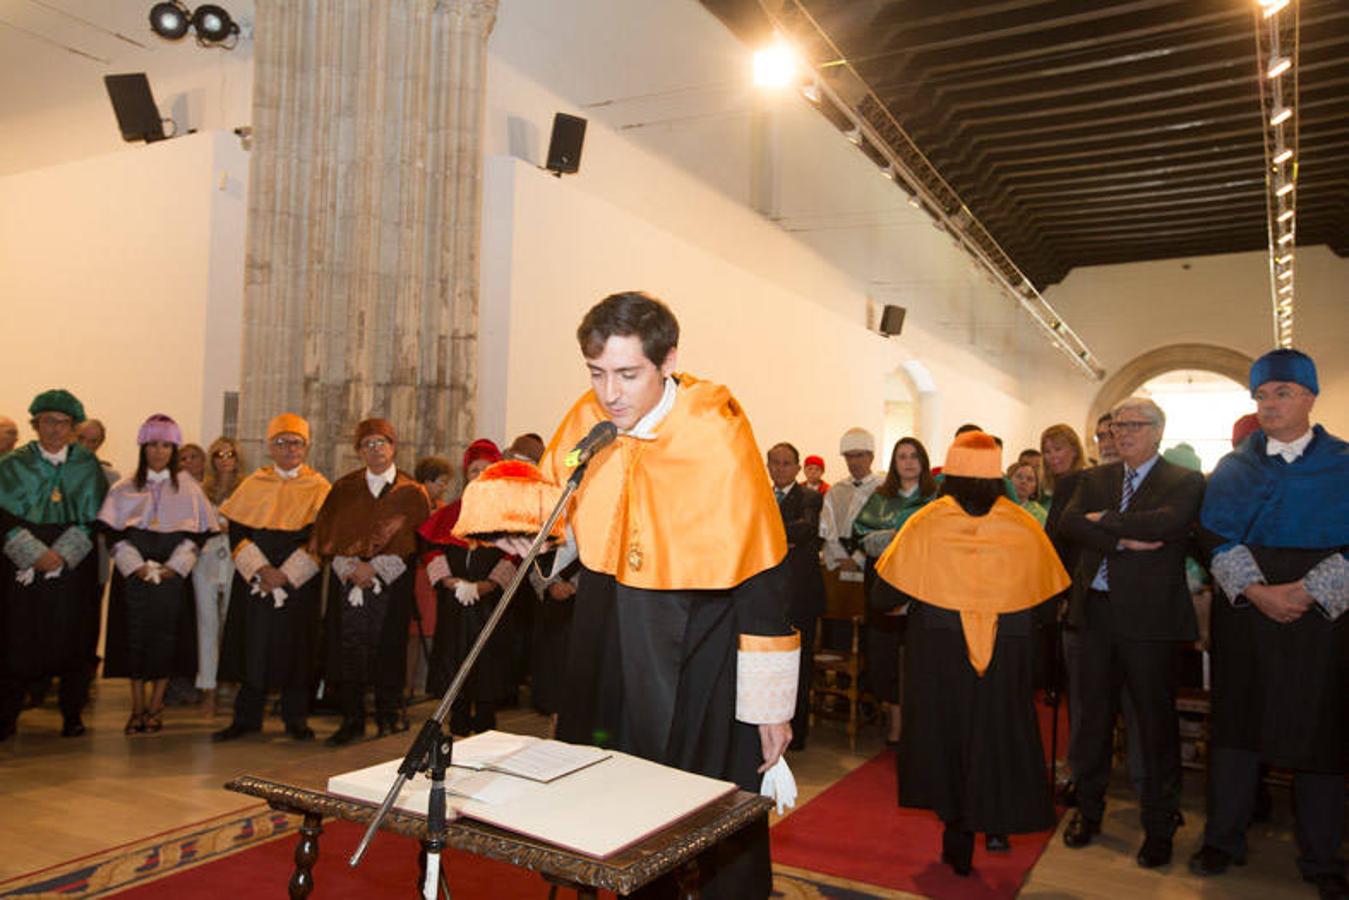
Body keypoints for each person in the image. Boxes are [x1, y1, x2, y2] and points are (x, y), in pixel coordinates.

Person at [490, 291, 797, 899]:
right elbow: (561, 511)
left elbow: (760, 564)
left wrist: (771, 704)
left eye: (628, 374)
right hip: (613, 628)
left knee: (712, 812)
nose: (610, 393)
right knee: (618, 799)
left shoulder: (717, 425)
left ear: (668, 361)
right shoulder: (589, 418)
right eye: (597, 373)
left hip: (702, 634)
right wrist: (532, 539)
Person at [870, 430, 1068, 875]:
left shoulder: (926, 521)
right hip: (1006, 648)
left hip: (941, 647)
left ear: (950, 473)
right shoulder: (1021, 525)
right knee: (997, 734)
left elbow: (883, 598)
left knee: (948, 738)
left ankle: (956, 833)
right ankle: (996, 822)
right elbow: (1048, 604)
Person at [1189, 349, 1348, 899]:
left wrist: (1305, 592)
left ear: (1309, 397)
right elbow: (1211, 536)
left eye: (1281, 392)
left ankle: (1322, 854)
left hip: (1321, 617)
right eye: (1260, 395)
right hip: (1248, 612)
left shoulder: (1344, 461)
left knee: (1322, 730)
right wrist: (1259, 592)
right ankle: (1223, 838)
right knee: (1237, 727)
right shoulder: (1235, 466)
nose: (1269, 404)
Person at [1058, 397, 1205, 868]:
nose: (1123, 434)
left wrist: (1106, 522)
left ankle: (1160, 824)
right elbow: (1070, 523)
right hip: (1096, 616)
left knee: (1153, 726)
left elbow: (1168, 523)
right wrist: (1122, 538)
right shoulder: (1096, 478)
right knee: (1093, 722)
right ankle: (1089, 810)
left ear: (1158, 431)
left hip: (1150, 623)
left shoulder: (1182, 481)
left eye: (1135, 426)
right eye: (1117, 426)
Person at [312, 418, 431, 746]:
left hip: (391, 582)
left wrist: (377, 568)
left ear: (394, 447)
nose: (375, 449)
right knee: (346, 649)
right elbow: (326, 535)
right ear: (359, 451)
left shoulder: (412, 492)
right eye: (368, 444)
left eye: (381, 442)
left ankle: (387, 714)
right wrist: (352, 568)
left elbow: (417, 541)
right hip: (347, 580)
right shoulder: (343, 488)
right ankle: (351, 719)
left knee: (388, 648)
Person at [213, 414, 330, 742]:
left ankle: (296, 720)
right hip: (256, 577)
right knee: (252, 644)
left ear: (306, 447)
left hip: (298, 581)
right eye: (281, 442)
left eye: (295, 442)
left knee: (296, 647)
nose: (289, 448)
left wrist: (287, 574)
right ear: (270, 447)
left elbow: (323, 537)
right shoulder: (253, 483)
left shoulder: (320, 487)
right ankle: (245, 718)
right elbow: (237, 531)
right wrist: (261, 570)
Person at [0, 390, 108, 739]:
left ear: (73, 428)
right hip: (22, 564)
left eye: (62, 423)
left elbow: (93, 519)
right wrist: (34, 554)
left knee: (73, 636)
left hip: (72, 565)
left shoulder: (86, 465)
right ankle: (7, 715)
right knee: (17, 636)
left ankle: (72, 713)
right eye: (48, 421)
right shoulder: (12, 464)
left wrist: (61, 555)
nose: (55, 430)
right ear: (35, 425)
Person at [99, 415, 216, 735]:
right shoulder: (125, 487)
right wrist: (135, 564)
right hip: (134, 575)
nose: (159, 451)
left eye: (166, 445)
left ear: (174, 449)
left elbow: (200, 534)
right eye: (153, 444)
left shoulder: (189, 488)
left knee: (167, 639)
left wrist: (174, 567)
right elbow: (111, 533)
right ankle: (136, 706)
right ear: (143, 447)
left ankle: (156, 706)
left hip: (171, 577)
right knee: (134, 637)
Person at [420, 444, 519, 734]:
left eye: (487, 469)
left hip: (491, 601)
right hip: (455, 598)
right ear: (467, 474)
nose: (480, 474)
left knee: (488, 658)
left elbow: (514, 554)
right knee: (454, 655)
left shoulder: (509, 515)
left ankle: (487, 718)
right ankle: (458, 715)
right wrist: (450, 582)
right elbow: (431, 549)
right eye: (475, 469)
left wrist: (488, 585)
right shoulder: (450, 512)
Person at [852, 437, 936, 746]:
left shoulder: (934, 498)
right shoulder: (880, 498)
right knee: (885, 657)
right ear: (894, 463)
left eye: (914, 456)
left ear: (923, 461)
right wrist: (896, 536)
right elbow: (860, 535)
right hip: (885, 584)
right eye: (902, 456)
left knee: (919, 656)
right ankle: (896, 724)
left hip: (922, 587)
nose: (909, 462)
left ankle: (920, 723)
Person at [766, 442, 826, 751]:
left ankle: (798, 733)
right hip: (770, 595)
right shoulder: (761, 496)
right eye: (774, 463)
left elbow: (805, 529)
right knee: (771, 666)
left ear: (798, 467)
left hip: (801, 595)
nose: (780, 468)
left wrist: (769, 532)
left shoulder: (810, 497)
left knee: (800, 667)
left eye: (786, 463)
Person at [194, 436, 245, 717]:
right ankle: (208, 690)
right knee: (207, 624)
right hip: (206, 559)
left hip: (236, 561)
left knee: (233, 624)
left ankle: (234, 686)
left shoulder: (247, 489)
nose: (225, 459)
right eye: (219, 454)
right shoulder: (202, 490)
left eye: (230, 454)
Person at [406, 455, 453, 702]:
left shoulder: (443, 508)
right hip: (417, 573)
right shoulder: (414, 505)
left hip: (432, 572)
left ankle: (426, 684)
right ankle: (408, 686)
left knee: (431, 631)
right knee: (414, 632)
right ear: (426, 481)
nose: (443, 488)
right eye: (440, 482)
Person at [821, 428, 881, 572]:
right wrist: (841, 558)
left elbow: (883, 528)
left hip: (873, 562)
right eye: (849, 456)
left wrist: (858, 559)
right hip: (839, 563)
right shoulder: (835, 491)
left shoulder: (883, 489)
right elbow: (828, 528)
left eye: (859, 456)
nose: (854, 462)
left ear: (871, 457)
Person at [1008, 461, 1047, 525]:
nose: (1024, 481)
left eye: (1030, 479)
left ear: (1035, 488)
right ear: (1009, 479)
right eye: (1019, 477)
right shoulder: (996, 505)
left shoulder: (1041, 515)